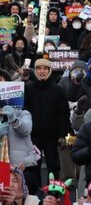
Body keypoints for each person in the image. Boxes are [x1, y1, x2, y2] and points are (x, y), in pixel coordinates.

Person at [24, 57, 70, 187]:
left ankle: (54, 193)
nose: (42, 71)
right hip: (33, 135)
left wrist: (62, 134)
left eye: (45, 68)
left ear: (49, 70)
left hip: (52, 136)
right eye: (39, 68)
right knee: (33, 166)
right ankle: (34, 193)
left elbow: (63, 114)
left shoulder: (57, 90)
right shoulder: (28, 88)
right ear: (35, 70)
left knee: (52, 166)